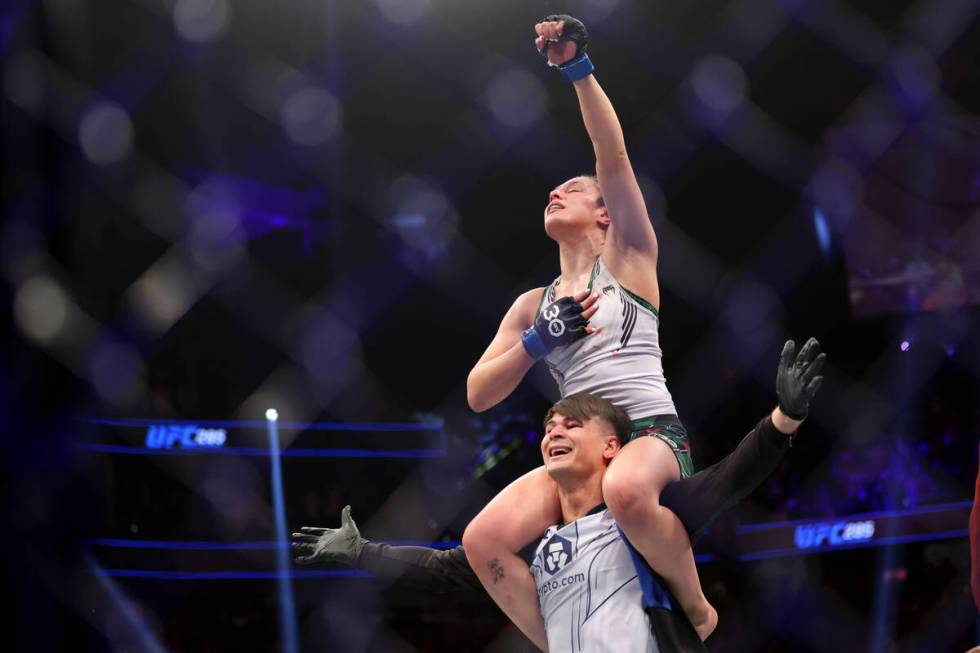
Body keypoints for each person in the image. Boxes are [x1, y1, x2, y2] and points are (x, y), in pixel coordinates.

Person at [460, 14, 825, 643]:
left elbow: (613, 155)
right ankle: (562, 643)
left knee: (628, 490)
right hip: (583, 448)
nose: (554, 194)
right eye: (551, 192)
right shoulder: (531, 305)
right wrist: (535, 343)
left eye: (570, 189)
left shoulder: (628, 257)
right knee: (482, 539)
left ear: (603, 213)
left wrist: (577, 71)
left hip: (649, 434)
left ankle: (696, 605)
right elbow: (477, 392)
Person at [292, 340, 824, 650]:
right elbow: (444, 568)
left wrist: (785, 418)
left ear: (612, 447)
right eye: (549, 427)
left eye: (572, 425)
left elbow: (730, 479)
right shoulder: (537, 550)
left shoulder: (642, 520)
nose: (554, 433)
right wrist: (363, 551)